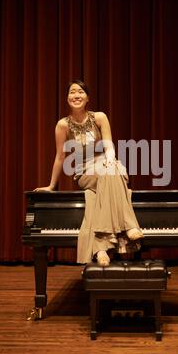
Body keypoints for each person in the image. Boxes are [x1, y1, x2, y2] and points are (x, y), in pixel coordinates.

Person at [34, 79, 143, 266]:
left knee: (96, 194)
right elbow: (60, 157)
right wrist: (52, 185)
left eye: (80, 92)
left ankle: (100, 249)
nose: (76, 95)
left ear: (87, 98)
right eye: (72, 92)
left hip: (106, 164)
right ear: (67, 98)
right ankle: (130, 226)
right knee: (112, 173)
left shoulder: (99, 117)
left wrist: (109, 162)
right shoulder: (63, 125)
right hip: (85, 171)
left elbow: (109, 145)